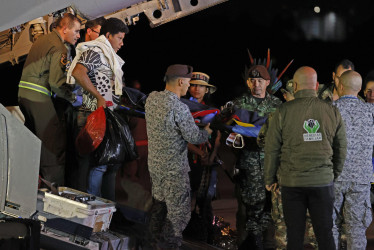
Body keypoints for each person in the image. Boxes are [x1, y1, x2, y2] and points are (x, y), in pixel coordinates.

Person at [264, 66, 347, 249]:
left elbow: (272, 149)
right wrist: (332, 174)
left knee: (294, 234)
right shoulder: (332, 111)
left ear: (295, 87)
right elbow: (341, 147)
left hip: (292, 183)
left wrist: (269, 178)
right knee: (325, 233)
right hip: (322, 183)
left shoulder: (282, 112)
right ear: (316, 86)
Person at [145, 64, 212, 249]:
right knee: (178, 216)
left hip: (156, 167)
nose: (189, 86)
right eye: (189, 82)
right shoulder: (179, 108)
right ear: (181, 81)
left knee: (159, 209)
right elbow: (194, 136)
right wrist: (207, 131)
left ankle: (150, 245)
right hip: (174, 170)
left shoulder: (152, 99)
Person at [218, 64, 282, 249]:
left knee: (269, 209)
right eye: (253, 80)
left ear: (267, 82)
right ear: (248, 82)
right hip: (247, 165)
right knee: (245, 211)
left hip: (271, 166)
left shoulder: (278, 106)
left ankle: (269, 244)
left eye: (260, 80)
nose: (257, 84)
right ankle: (245, 244)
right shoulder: (237, 105)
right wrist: (236, 145)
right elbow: (227, 135)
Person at [67, 17, 129, 200]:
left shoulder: (107, 55)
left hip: (101, 115)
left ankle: (95, 207)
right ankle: (85, 208)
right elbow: (78, 72)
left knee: (100, 165)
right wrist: (99, 97)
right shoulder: (96, 51)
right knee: (88, 166)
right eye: (119, 38)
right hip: (90, 116)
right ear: (108, 35)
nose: (122, 43)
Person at [18, 13, 82, 186]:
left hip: (24, 95)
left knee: (32, 143)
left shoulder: (43, 40)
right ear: (65, 28)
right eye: (76, 31)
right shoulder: (59, 48)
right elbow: (56, 83)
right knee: (53, 145)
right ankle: (54, 192)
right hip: (39, 95)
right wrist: (73, 97)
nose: (78, 35)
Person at [332, 70, 374, 249]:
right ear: (360, 89)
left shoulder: (329, 109)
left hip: (333, 177)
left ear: (340, 86)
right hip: (361, 179)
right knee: (356, 229)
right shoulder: (370, 111)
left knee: (330, 227)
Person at [183, 72, 221, 243]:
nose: (197, 89)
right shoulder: (182, 106)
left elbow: (218, 136)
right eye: (193, 85)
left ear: (207, 90)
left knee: (205, 202)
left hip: (207, 162)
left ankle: (206, 239)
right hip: (187, 160)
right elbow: (180, 136)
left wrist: (211, 156)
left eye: (201, 86)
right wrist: (199, 152)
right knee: (184, 199)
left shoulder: (212, 110)